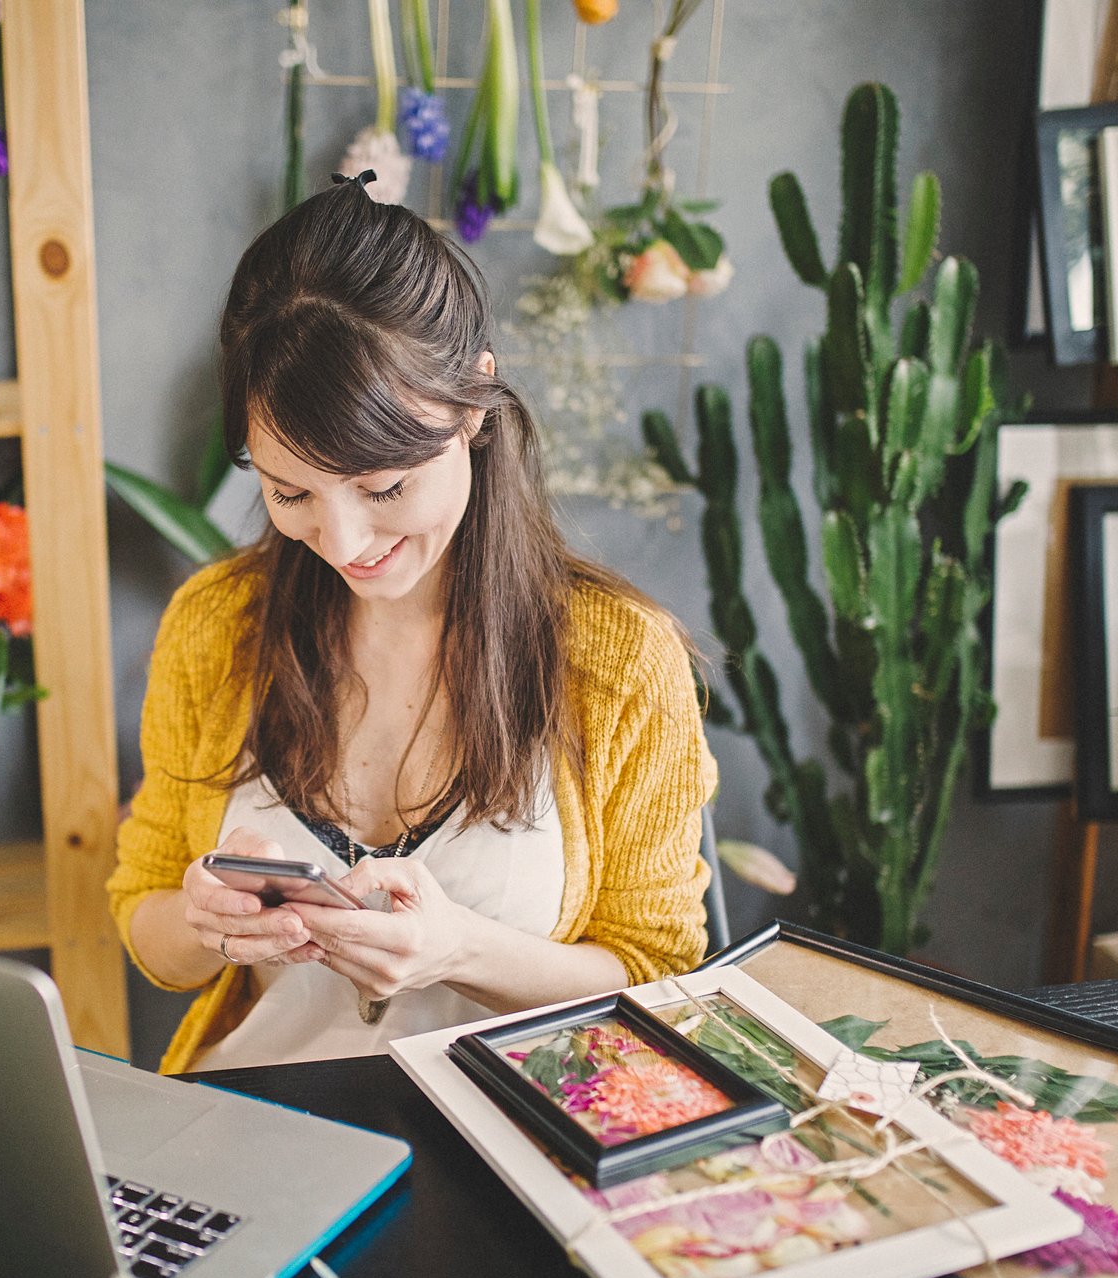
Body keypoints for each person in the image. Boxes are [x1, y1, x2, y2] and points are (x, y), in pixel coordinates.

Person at [107, 171, 720, 1074]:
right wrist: (207, 923)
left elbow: (660, 977)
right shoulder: (216, 625)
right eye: (290, 492)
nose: (344, 541)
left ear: (473, 403)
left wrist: (457, 952)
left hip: (520, 1144)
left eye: (382, 485)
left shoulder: (617, 659)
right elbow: (146, 923)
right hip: (258, 1121)